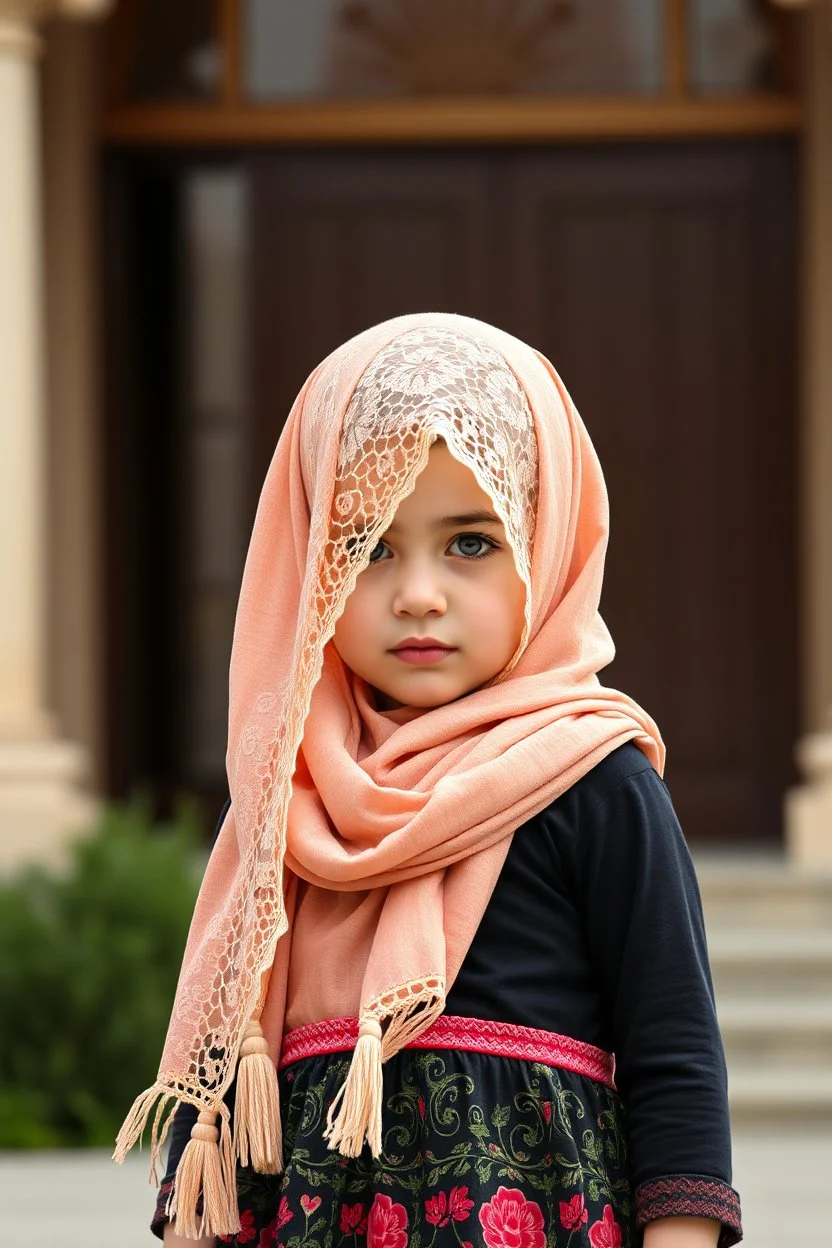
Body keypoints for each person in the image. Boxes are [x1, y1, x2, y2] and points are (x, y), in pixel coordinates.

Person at [114, 313, 742, 1248]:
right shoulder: (288, 799)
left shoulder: (595, 780)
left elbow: (674, 1057)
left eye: (472, 543)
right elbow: (221, 1067)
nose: (417, 592)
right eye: (369, 546)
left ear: (549, 543)